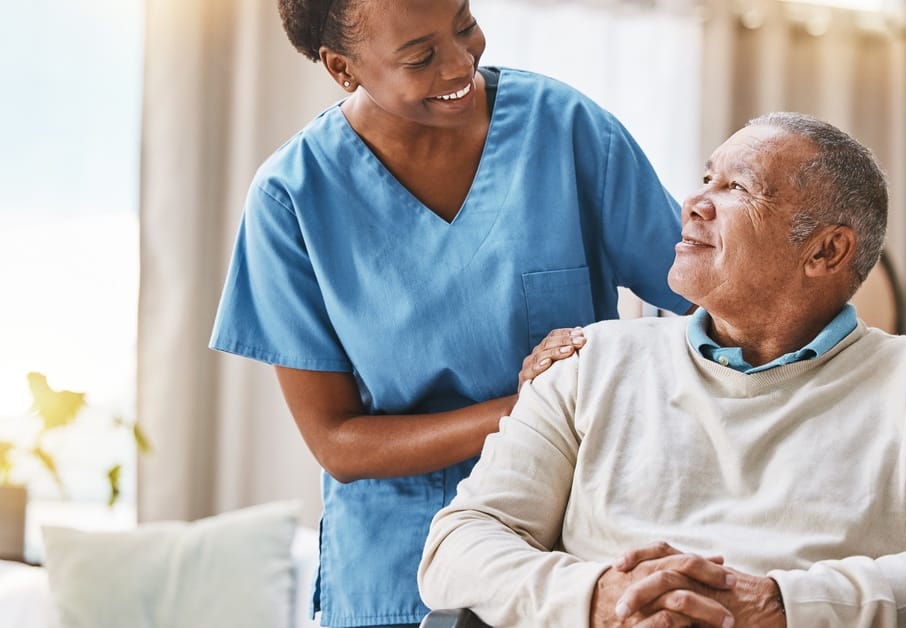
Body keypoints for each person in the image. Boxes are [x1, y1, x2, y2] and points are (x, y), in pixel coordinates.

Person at [419, 113, 906, 628]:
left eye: (736, 189)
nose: (693, 203)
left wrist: (784, 605)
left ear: (826, 250)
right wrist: (600, 596)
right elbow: (458, 544)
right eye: (705, 179)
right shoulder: (591, 362)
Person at [208, 0, 691, 626]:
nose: (461, 62)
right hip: (397, 576)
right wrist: (528, 407)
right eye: (420, 56)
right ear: (341, 67)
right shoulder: (292, 200)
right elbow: (338, 442)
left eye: (464, 24)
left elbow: (712, 299)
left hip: (574, 558)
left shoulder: (565, 130)